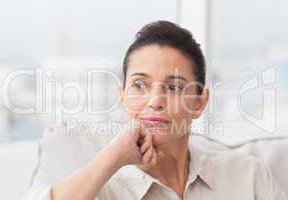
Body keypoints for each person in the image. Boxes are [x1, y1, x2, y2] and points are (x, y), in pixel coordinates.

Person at [23, 20, 278, 200]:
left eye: (174, 87)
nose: (155, 100)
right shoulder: (102, 189)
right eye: (140, 85)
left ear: (200, 102)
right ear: (123, 97)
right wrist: (112, 157)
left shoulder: (248, 176)